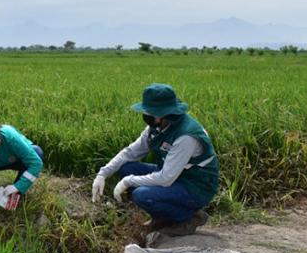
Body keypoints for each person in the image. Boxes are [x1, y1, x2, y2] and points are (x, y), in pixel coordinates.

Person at [91, 83, 219, 236]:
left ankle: (188, 217)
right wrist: (103, 174)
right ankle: (163, 217)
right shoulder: (157, 128)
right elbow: (130, 152)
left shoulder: (186, 136)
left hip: (195, 186)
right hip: (175, 175)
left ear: (163, 113)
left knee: (141, 194)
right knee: (127, 168)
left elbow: (166, 179)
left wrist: (128, 182)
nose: (146, 114)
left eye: (149, 111)